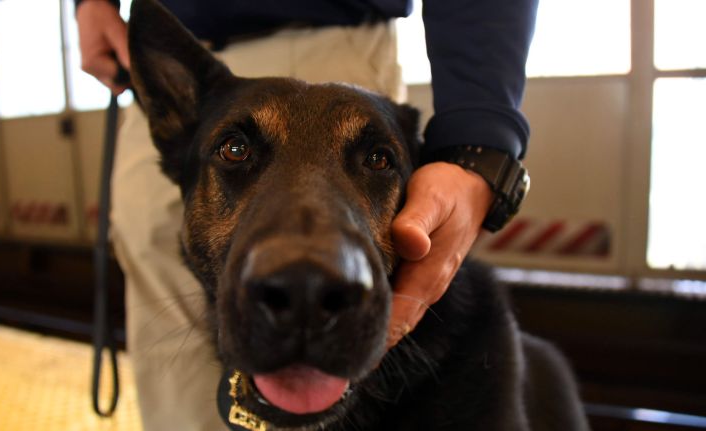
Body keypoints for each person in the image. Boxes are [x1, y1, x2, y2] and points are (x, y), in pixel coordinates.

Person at [75, 0, 537, 429]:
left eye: (378, 160)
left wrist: (478, 143)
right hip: (182, 43)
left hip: (335, 26)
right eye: (235, 151)